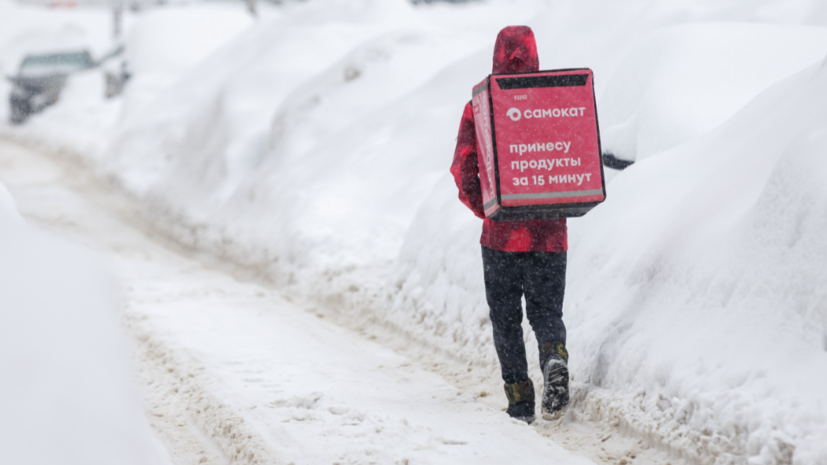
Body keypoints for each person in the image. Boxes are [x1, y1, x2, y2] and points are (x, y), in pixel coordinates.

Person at [450, 25, 569, 424]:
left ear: (498, 54)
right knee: (546, 311)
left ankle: (520, 402)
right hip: (550, 235)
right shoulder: (557, 98)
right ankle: (554, 357)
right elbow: (572, 154)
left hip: (502, 237)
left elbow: (465, 165)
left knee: (506, 319)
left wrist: (486, 209)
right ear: (534, 54)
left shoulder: (483, 104)